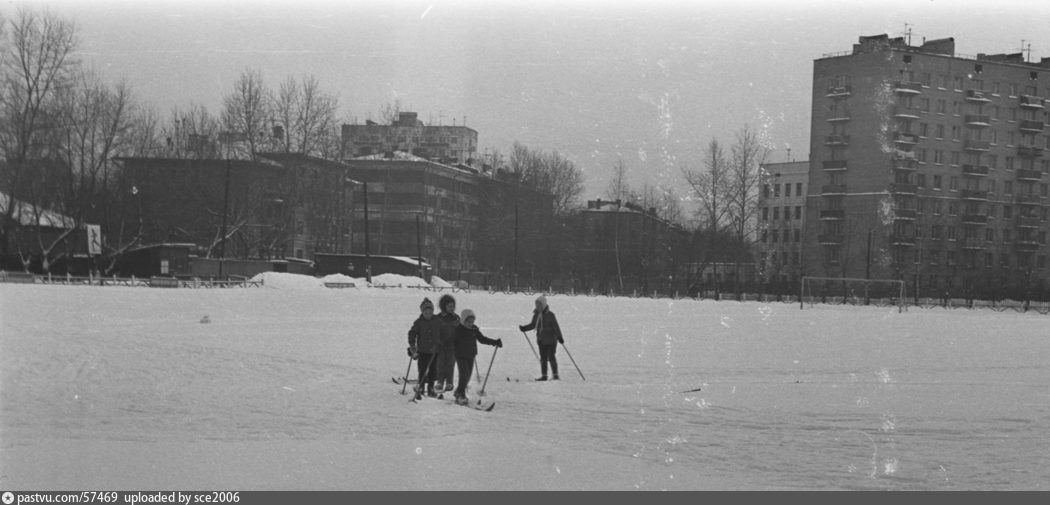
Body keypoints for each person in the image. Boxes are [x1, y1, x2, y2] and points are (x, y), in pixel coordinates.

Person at [451, 309, 502, 405]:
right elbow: (451, 340)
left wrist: (494, 342)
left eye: (472, 322)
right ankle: (461, 394)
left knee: (468, 376)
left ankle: (458, 391)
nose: (470, 324)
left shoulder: (474, 329)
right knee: (464, 374)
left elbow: (482, 339)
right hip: (460, 355)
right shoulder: (458, 330)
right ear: (463, 321)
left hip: (471, 355)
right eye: (468, 322)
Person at [519, 294, 564, 381]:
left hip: (551, 340)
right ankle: (544, 376)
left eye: (539, 305)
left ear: (543, 305)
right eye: (536, 305)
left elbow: (556, 327)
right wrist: (524, 328)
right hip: (541, 340)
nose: (537, 306)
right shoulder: (536, 315)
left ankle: (555, 375)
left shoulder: (550, 315)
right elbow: (533, 325)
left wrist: (560, 337)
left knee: (551, 357)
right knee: (543, 358)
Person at [407, 297, 443, 400]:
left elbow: (443, 332)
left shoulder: (437, 321)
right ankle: (421, 387)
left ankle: (431, 387)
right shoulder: (419, 322)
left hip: (434, 351)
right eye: (425, 312)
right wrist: (412, 344)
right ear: (422, 312)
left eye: (430, 311)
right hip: (422, 350)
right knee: (422, 369)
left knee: (433, 371)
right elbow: (412, 333)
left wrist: (441, 342)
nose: (428, 314)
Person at [435, 294, 460, 392]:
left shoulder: (456, 317)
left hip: (453, 345)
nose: (452, 308)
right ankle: (440, 381)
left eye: (453, 306)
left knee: (450, 364)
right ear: (443, 306)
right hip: (441, 345)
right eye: (449, 306)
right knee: (440, 364)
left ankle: (449, 382)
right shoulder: (438, 317)